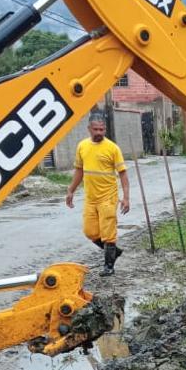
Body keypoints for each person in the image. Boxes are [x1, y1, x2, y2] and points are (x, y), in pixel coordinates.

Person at [65, 111, 130, 276]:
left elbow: (123, 174)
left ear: (105, 129)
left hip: (108, 197)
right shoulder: (82, 146)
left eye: (102, 129)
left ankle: (109, 266)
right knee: (90, 232)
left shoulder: (112, 148)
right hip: (90, 198)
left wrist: (126, 198)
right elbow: (79, 170)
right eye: (96, 129)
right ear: (89, 129)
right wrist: (71, 190)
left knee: (108, 233)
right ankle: (113, 252)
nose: (99, 133)